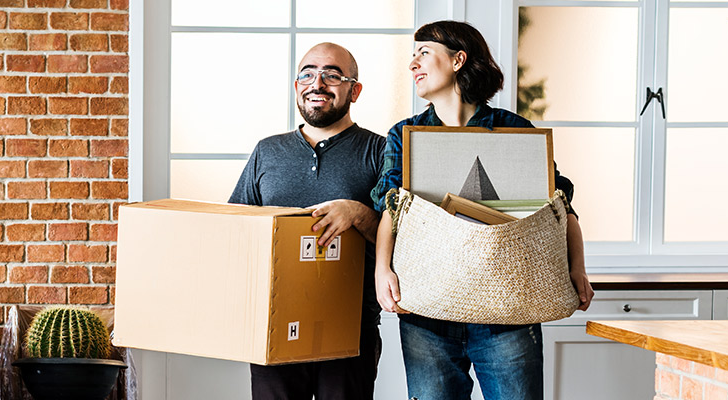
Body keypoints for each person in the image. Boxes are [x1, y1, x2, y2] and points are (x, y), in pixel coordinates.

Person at [368, 20, 596, 400]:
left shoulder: (513, 128)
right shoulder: (404, 133)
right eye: (412, 55)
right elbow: (393, 205)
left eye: (423, 52)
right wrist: (382, 268)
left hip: (508, 307)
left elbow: (560, 204)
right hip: (428, 311)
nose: (413, 65)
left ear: (458, 59)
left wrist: (578, 268)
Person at [229, 42, 385, 400]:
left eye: (332, 74)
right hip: (273, 323)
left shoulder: (380, 151)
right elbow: (237, 232)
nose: (318, 82)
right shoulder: (267, 151)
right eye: (308, 74)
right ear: (297, 86)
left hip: (350, 326)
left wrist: (359, 213)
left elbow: (406, 242)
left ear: (354, 90)